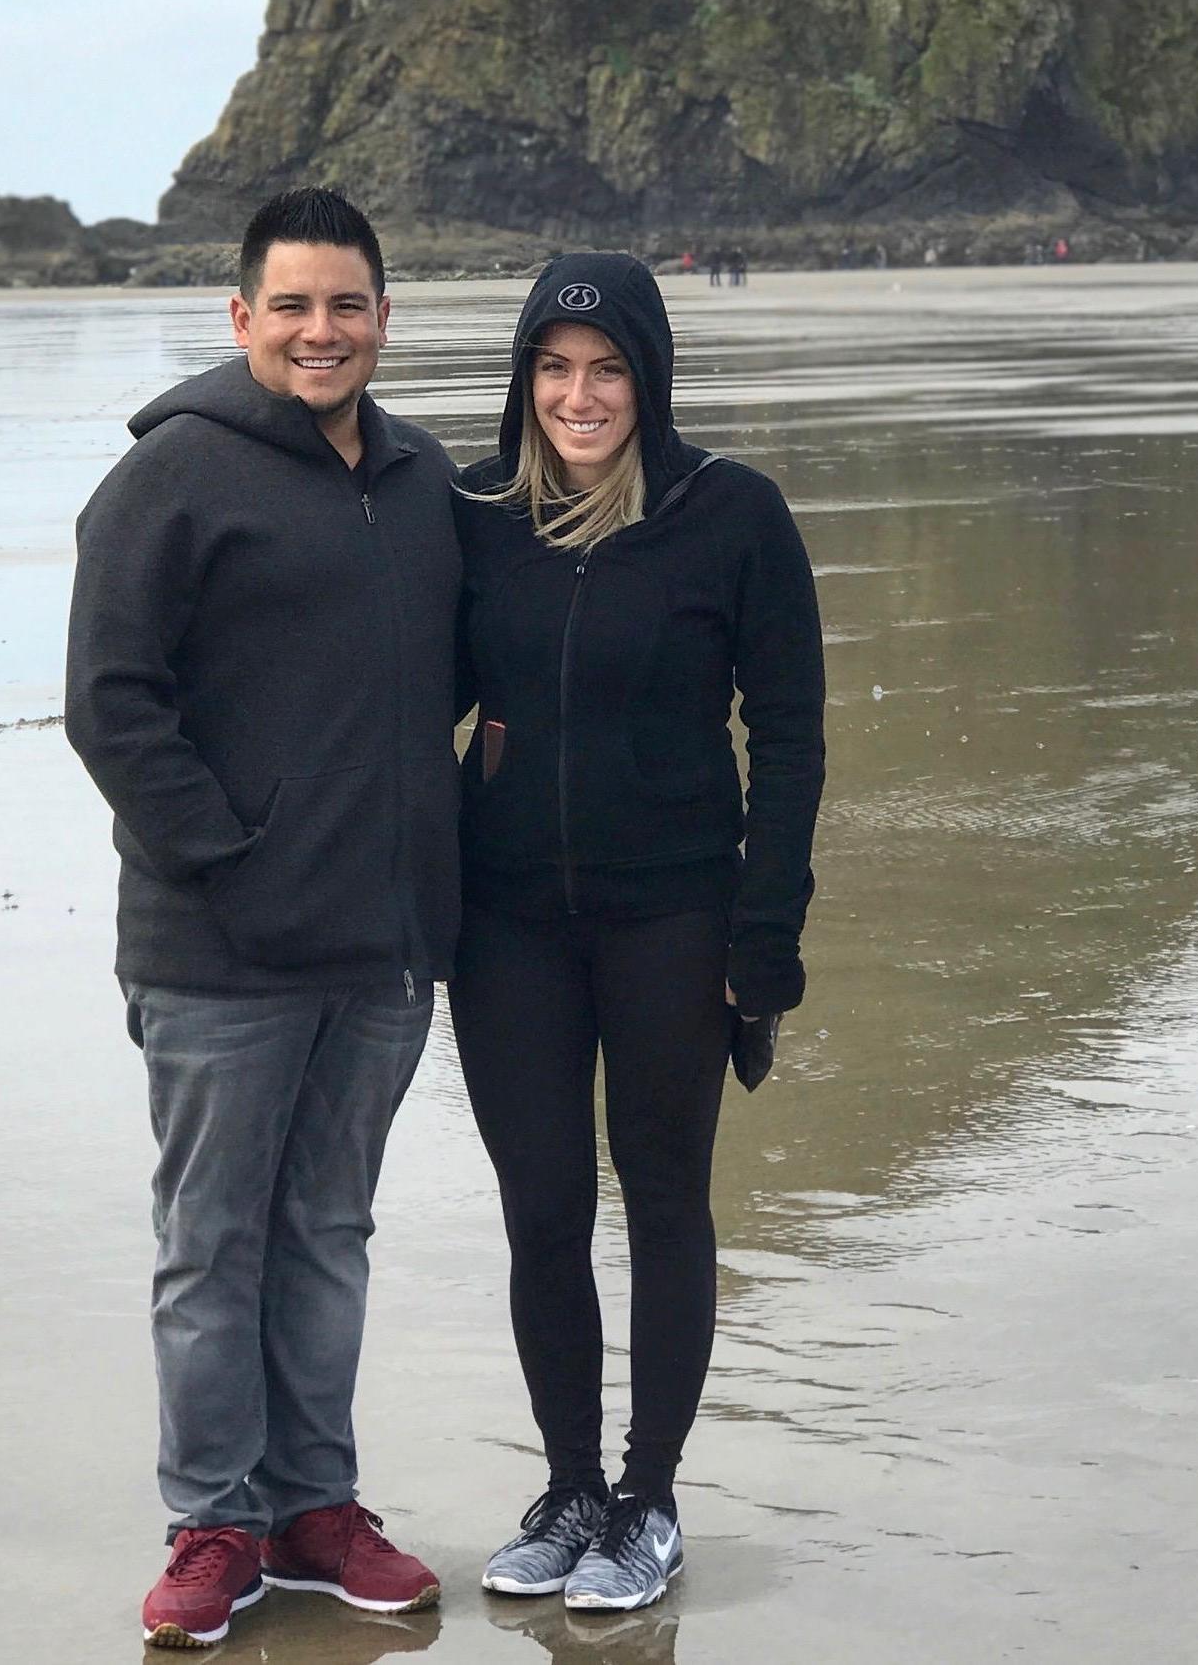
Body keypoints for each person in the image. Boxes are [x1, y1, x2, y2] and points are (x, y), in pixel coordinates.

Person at [65, 187, 460, 1651]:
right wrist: (232, 860)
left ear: (381, 319)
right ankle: (213, 1521)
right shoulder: (171, 478)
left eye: (345, 305)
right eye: (290, 306)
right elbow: (111, 702)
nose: (319, 330)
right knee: (211, 1240)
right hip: (219, 949)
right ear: (241, 320)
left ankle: (314, 1508)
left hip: (382, 951)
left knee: (327, 1230)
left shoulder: (422, 481)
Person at [449, 252, 825, 1615]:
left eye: (606, 369)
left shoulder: (733, 517)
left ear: (649, 377)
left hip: (674, 914)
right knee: (543, 1210)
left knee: (663, 1202)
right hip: (507, 930)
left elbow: (787, 741)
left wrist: (764, 940)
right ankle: (568, 1493)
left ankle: (649, 1496)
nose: (579, 393)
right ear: (523, 379)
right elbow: (397, 689)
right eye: (553, 367)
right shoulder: (477, 516)